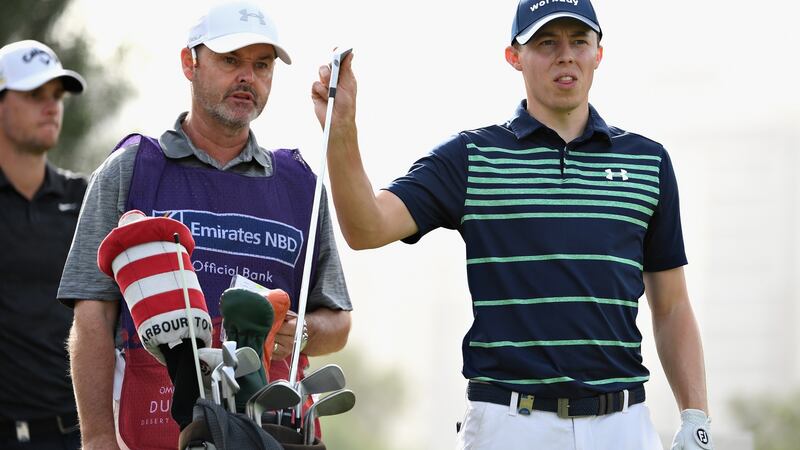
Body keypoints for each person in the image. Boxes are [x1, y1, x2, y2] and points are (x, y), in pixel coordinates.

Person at [313, 0, 712, 449]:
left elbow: (673, 305)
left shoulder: (647, 162)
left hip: (623, 426)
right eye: (546, 43)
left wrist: (695, 416)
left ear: (598, 53)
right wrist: (342, 130)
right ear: (514, 56)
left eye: (579, 41)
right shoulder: (472, 157)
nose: (565, 55)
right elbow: (366, 227)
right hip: (509, 423)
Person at [57, 2, 352, 449]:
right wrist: (98, 439)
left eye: (262, 65)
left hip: (272, 431)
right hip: (151, 430)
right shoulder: (132, 169)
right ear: (188, 64)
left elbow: (338, 320)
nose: (247, 77)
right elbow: (93, 316)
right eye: (230, 61)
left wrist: (303, 333)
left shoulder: (301, 186)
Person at [0, 40, 87, 450]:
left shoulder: (84, 198)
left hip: (75, 433)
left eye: (57, 96)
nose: (51, 106)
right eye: (35, 95)